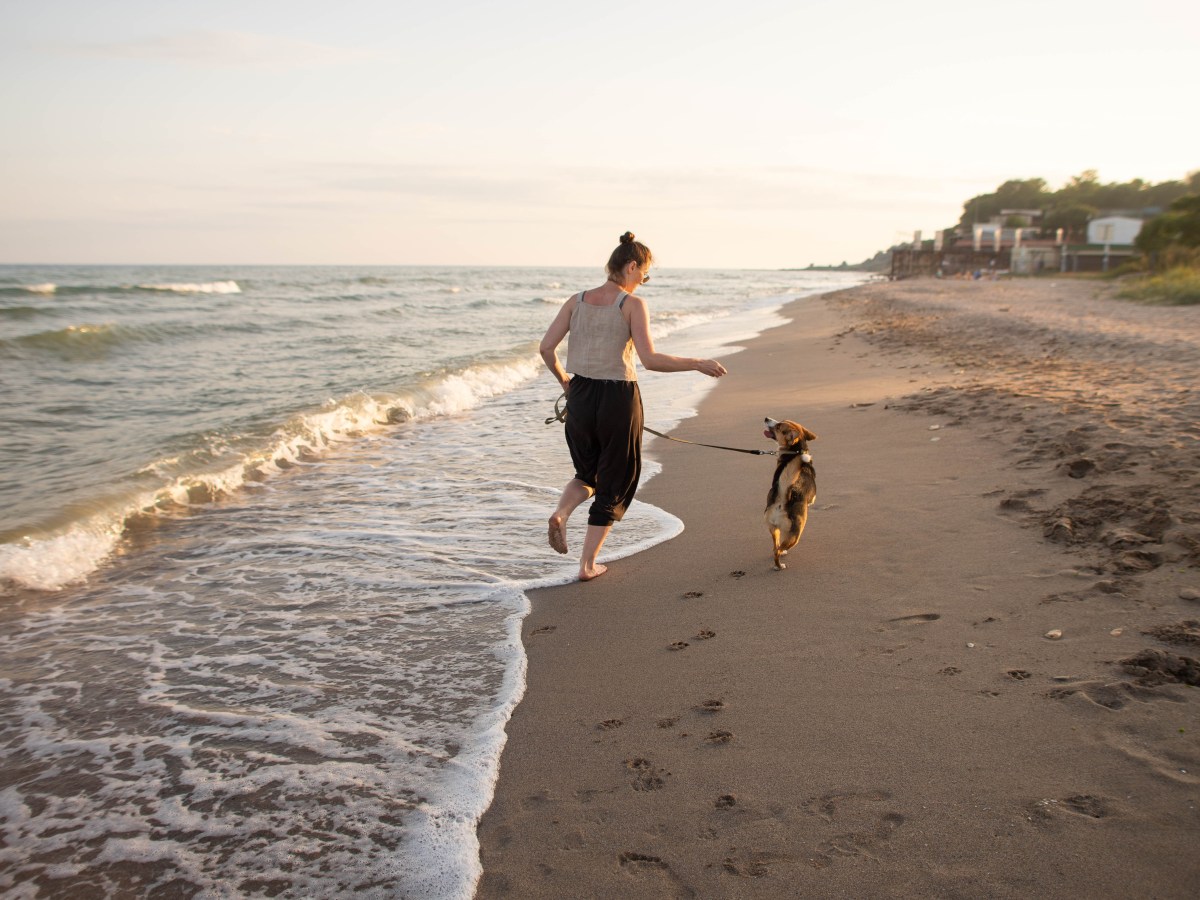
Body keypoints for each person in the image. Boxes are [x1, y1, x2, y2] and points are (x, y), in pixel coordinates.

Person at [540, 232, 727, 581]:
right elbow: (650, 360)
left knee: (586, 474)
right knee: (613, 483)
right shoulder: (631, 304)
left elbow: (546, 348)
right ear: (631, 266)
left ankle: (562, 513)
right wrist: (696, 362)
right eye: (645, 273)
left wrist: (566, 382)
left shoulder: (575, 300)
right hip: (617, 398)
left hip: (579, 394)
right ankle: (586, 566)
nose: (644, 281)